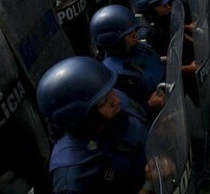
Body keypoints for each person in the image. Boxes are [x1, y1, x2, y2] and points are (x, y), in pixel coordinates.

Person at [36, 56, 154, 194]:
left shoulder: (111, 104)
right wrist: (148, 185)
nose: (116, 100)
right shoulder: (71, 178)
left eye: (111, 90)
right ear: (80, 116)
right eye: (104, 100)